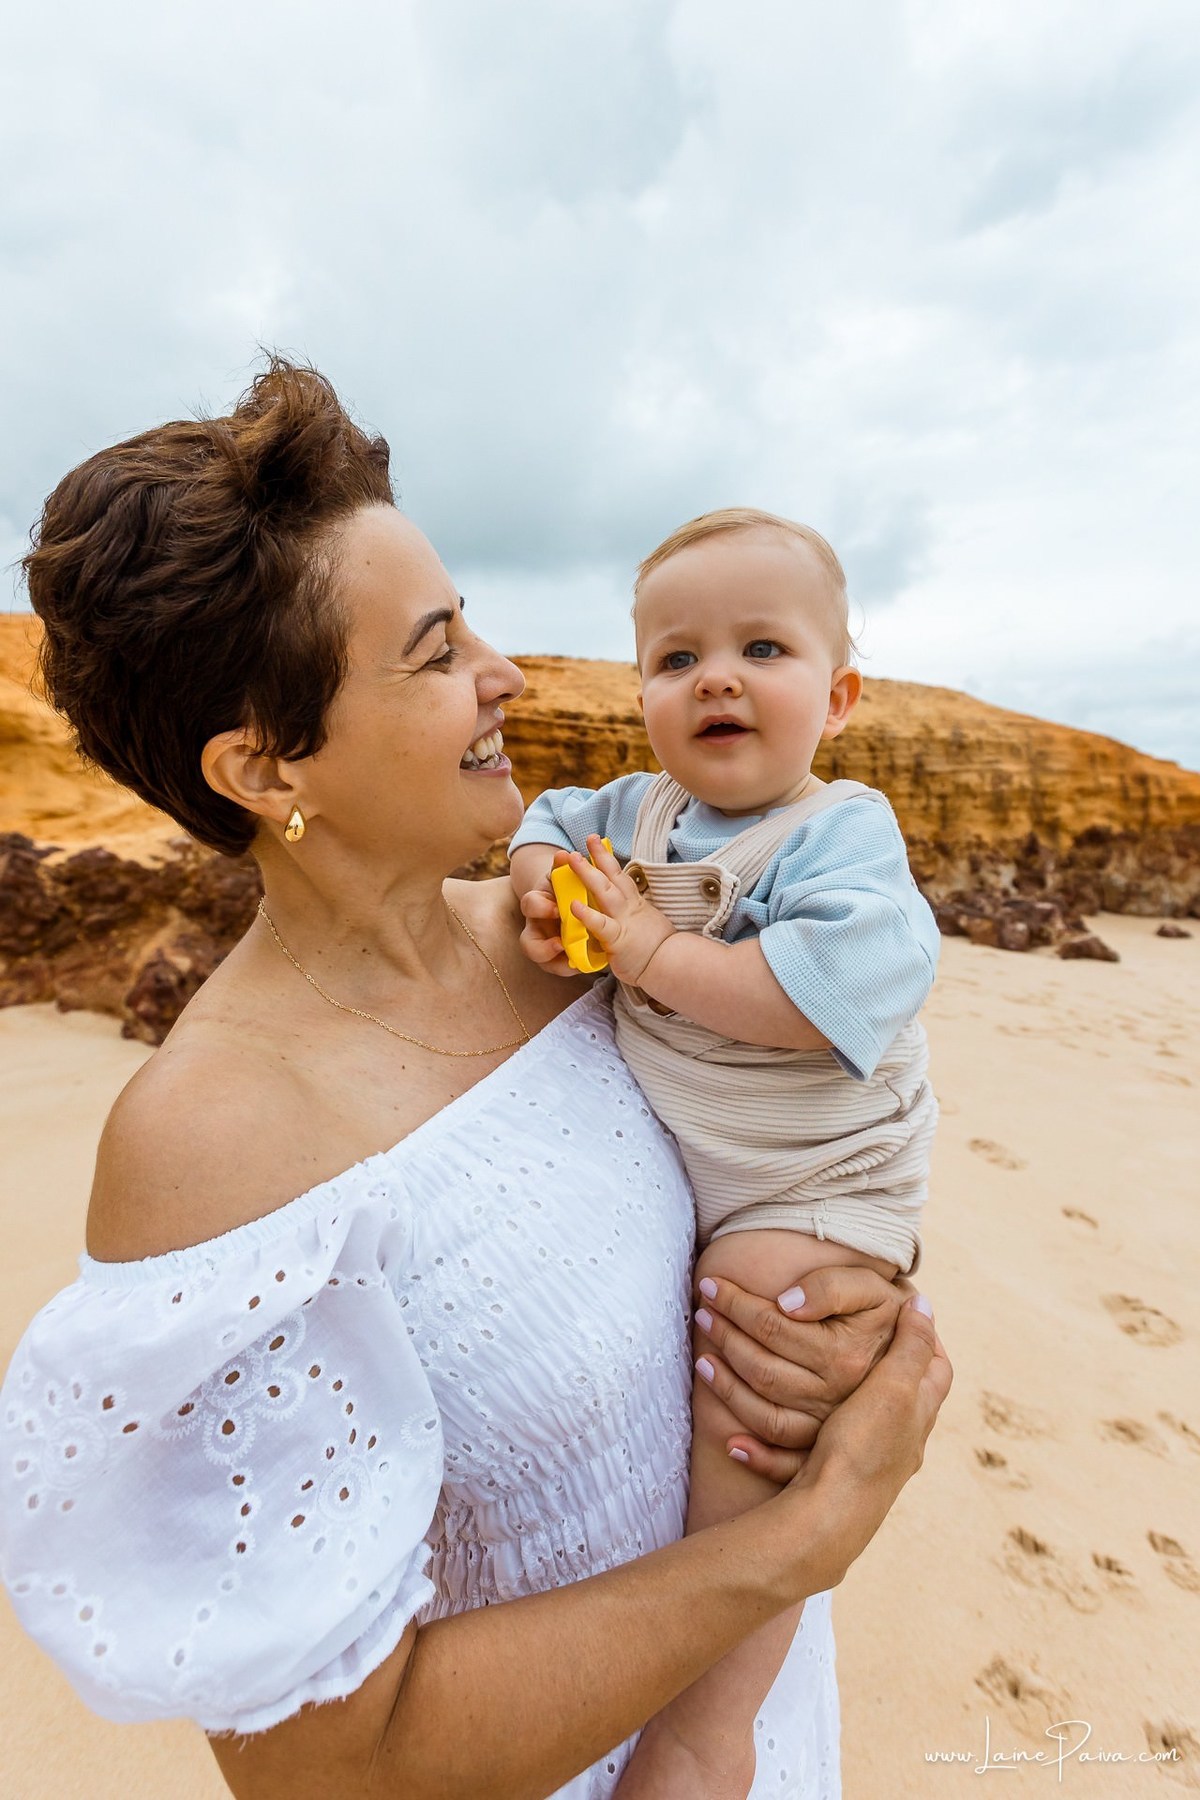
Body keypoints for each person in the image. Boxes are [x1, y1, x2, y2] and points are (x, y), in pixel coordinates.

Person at [0, 364, 951, 1800]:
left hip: (766, 1732)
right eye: (437, 652)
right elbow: (331, 1773)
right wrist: (795, 1547)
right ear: (264, 768)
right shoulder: (211, 1148)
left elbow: (793, 1118)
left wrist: (846, 1317)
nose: (506, 673)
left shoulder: (573, 931)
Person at [510, 508, 940, 1795]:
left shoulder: (840, 833)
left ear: (839, 695)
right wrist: (544, 882)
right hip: (708, 1156)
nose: (717, 678)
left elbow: (815, 997)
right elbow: (542, 816)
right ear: (642, 688)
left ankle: (714, 1720)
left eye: (763, 647)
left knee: (754, 1416)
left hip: (814, 1179)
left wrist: (644, 952)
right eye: (676, 657)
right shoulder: (632, 809)